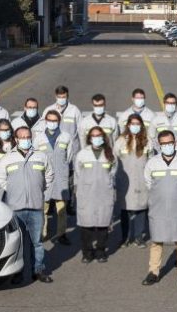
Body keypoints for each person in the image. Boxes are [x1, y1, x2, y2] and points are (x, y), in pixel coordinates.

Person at [0, 126, 54, 284]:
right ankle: (18, 273)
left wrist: (40, 188)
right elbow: (1, 177)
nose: (25, 139)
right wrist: (14, 191)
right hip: (16, 208)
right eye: (22, 137)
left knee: (37, 242)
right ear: (16, 139)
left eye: (28, 136)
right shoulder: (8, 158)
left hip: (36, 206)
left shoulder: (41, 156)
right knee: (19, 243)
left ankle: (38, 270)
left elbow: (49, 174)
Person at [142, 130, 177, 288]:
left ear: (175, 143)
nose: (167, 146)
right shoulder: (152, 163)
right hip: (158, 209)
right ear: (159, 145)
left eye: (170, 143)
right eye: (164, 143)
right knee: (156, 241)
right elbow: (149, 183)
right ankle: (154, 272)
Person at [74, 126, 118, 263]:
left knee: (102, 224)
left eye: (99, 135)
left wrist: (106, 182)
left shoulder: (110, 154)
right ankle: (87, 252)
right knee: (86, 224)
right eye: (93, 136)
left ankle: (100, 251)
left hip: (104, 193)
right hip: (86, 193)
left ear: (103, 137)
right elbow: (78, 172)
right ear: (89, 138)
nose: (96, 138)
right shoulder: (82, 154)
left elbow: (113, 172)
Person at [34, 110, 74, 244]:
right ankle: (43, 233)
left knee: (61, 209)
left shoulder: (66, 137)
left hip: (61, 178)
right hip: (44, 178)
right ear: (46, 121)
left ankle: (61, 234)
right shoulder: (39, 138)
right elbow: (35, 157)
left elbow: (68, 157)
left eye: (54, 121)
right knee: (43, 208)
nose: (52, 123)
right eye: (49, 120)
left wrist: (61, 169)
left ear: (59, 122)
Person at [116, 114, 153, 248]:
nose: (135, 126)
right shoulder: (121, 140)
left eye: (138, 124)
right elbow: (115, 159)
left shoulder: (147, 140)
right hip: (125, 181)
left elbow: (151, 160)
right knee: (125, 209)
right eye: (133, 124)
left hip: (142, 180)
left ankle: (139, 237)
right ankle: (125, 237)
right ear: (128, 125)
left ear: (141, 125)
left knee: (141, 208)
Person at [43, 85, 82, 156]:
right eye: (59, 97)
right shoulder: (48, 110)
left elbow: (81, 130)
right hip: (54, 148)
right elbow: (42, 129)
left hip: (72, 149)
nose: (61, 99)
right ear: (56, 97)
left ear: (67, 97)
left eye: (64, 97)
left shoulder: (74, 110)